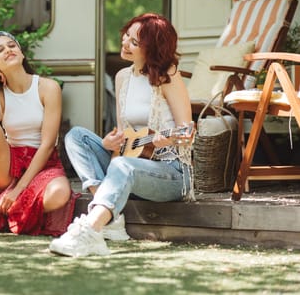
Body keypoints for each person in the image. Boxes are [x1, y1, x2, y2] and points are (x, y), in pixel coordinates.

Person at [49, 13, 195, 257]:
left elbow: (188, 132)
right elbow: (124, 137)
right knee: (76, 137)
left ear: (153, 49)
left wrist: (166, 140)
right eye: (126, 36)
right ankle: (111, 220)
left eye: (135, 43)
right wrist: (110, 143)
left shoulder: (168, 75)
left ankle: (91, 231)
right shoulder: (122, 77)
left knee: (123, 166)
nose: (125, 44)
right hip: (132, 165)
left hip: (171, 173)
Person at [0, 31, 78, 240]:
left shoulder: (48, 88)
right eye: (0, 49)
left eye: (12, 46)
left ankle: (10, 208)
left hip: (43, 165)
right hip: (10, 164)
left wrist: (18, 190)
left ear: (22, 54)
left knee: (59, 193)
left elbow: (48, 145)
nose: (8, 50)